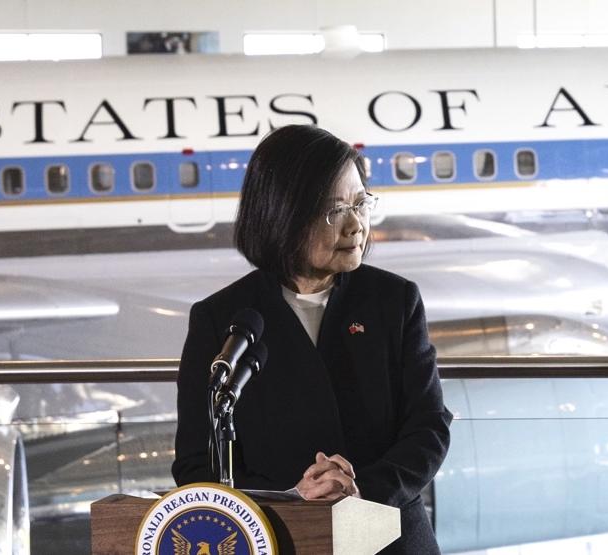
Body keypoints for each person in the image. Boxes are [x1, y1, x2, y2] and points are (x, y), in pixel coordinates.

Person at [172, 124, 452, 554]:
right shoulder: (220, 319)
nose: (356, 225)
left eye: (361, 203)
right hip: (282, 541)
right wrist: (294, 496)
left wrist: (360, 491)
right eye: (336, 210)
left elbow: (428, 426)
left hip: (392, 535)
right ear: (282, 214)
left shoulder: (394, 300)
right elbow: (196, 466)